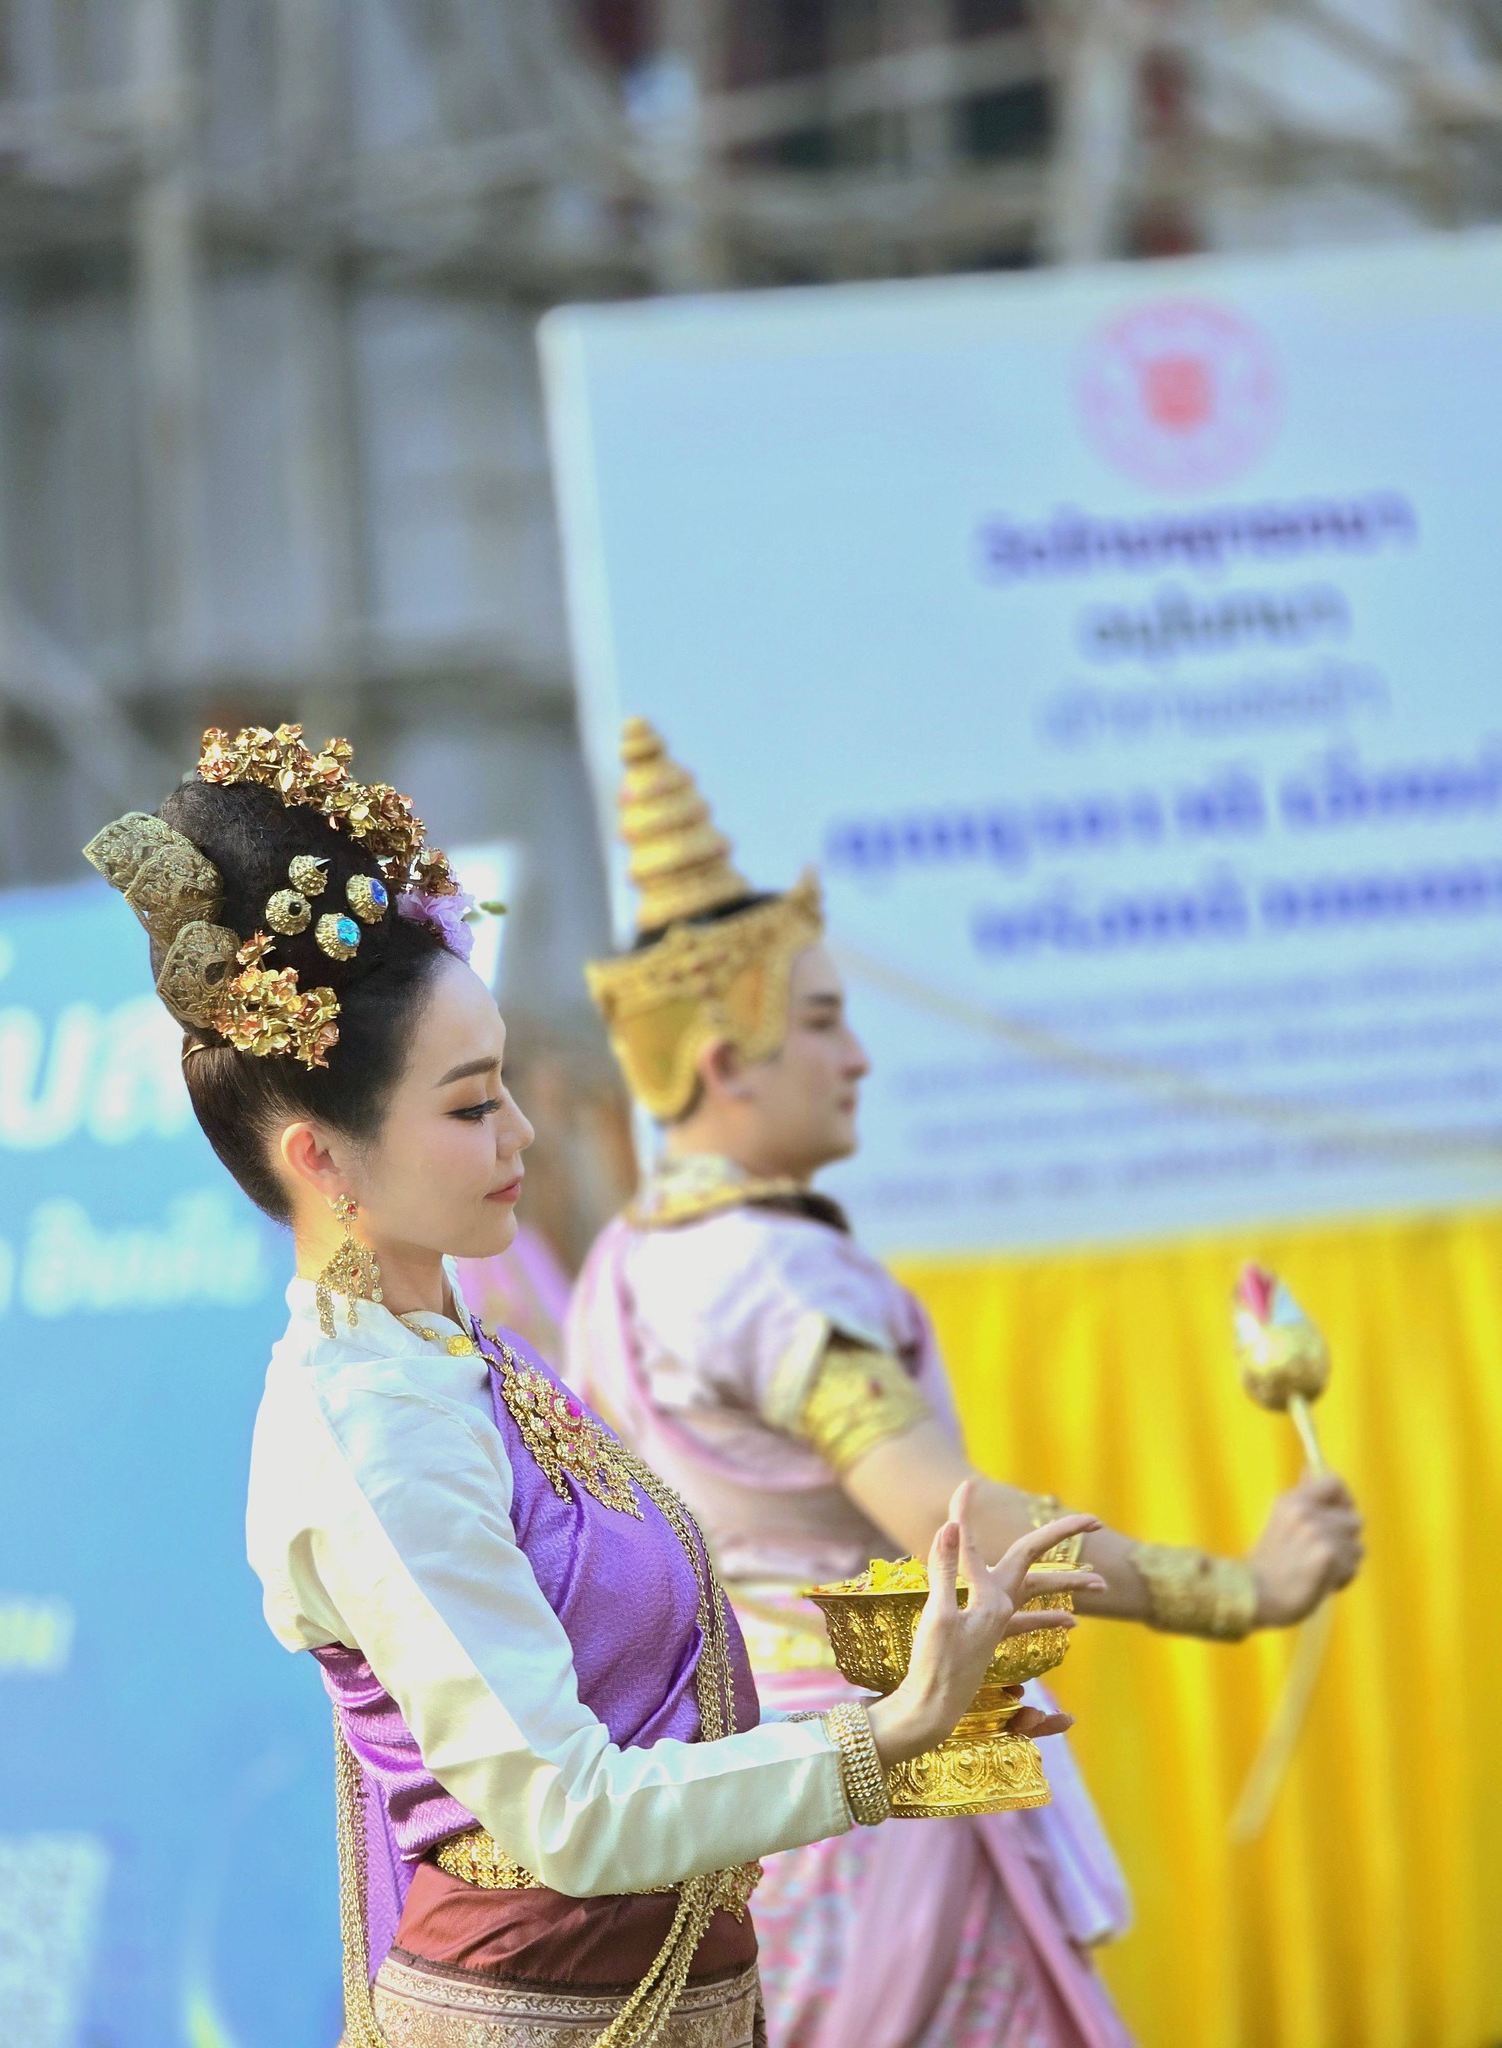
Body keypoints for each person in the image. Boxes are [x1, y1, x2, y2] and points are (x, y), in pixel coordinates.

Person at [83, 722, 1102, 2048]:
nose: (522, 1134)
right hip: (541, 2017)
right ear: (321, 1157)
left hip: (673, 1991)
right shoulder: (371, 1427)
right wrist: (891, 1738)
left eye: (505, 1087)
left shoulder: (465, 1354)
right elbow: (565, 1814)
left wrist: (916, 1707)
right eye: (470, 1108)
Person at [568, 719, 1367, 2048]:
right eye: (822, 1022)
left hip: (749, 1804)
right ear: (723, 1061)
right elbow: (961, 1530)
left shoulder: (627, 1263)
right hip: (878, 1805)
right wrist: (1243, 1590)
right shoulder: (772, 1274)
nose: (858, 1057)